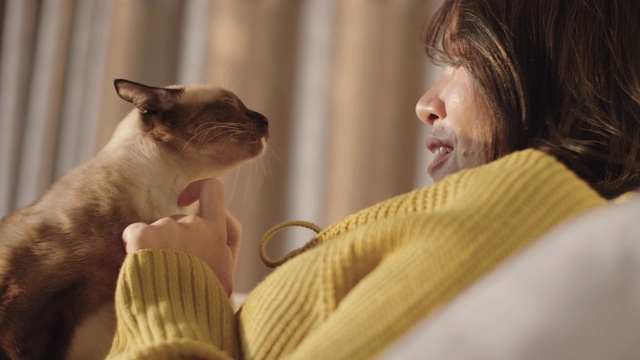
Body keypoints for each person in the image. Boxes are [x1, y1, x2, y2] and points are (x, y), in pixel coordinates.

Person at [107, 0, 640, 359]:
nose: (425, 105)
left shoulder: (520, 207)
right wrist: (210, 293)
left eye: (464, 63)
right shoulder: (499, 213)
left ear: (561, 77)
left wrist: (170, 280)